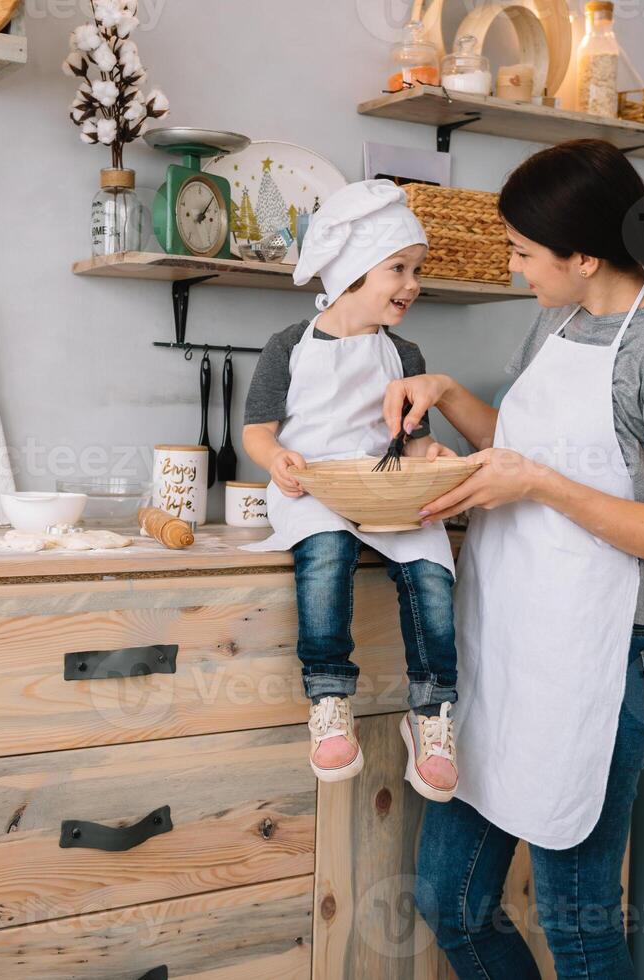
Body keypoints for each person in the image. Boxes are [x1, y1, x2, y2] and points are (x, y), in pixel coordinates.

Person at [387, 139, 644, 979]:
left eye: (522, 252)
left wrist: (537, 483)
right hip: (504, 645)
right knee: (450, 900)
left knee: (577, 923)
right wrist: (446, 396)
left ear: (584, 256)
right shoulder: (558, 318)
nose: (512, 268)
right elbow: (523, 449)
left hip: (598, 663)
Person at [239, 179, 461, 802]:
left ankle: (432, 715)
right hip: (315, 490)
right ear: (351, 272)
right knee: (328, 553)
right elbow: (257, 432)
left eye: (416, 269)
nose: (413, 284)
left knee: (430, 572)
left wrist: (428, 453)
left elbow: (412, 437)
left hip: (386, 491)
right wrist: (278, 459)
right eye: (398, 268)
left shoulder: (407, 353)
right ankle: (330, 700)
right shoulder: (288, 347)